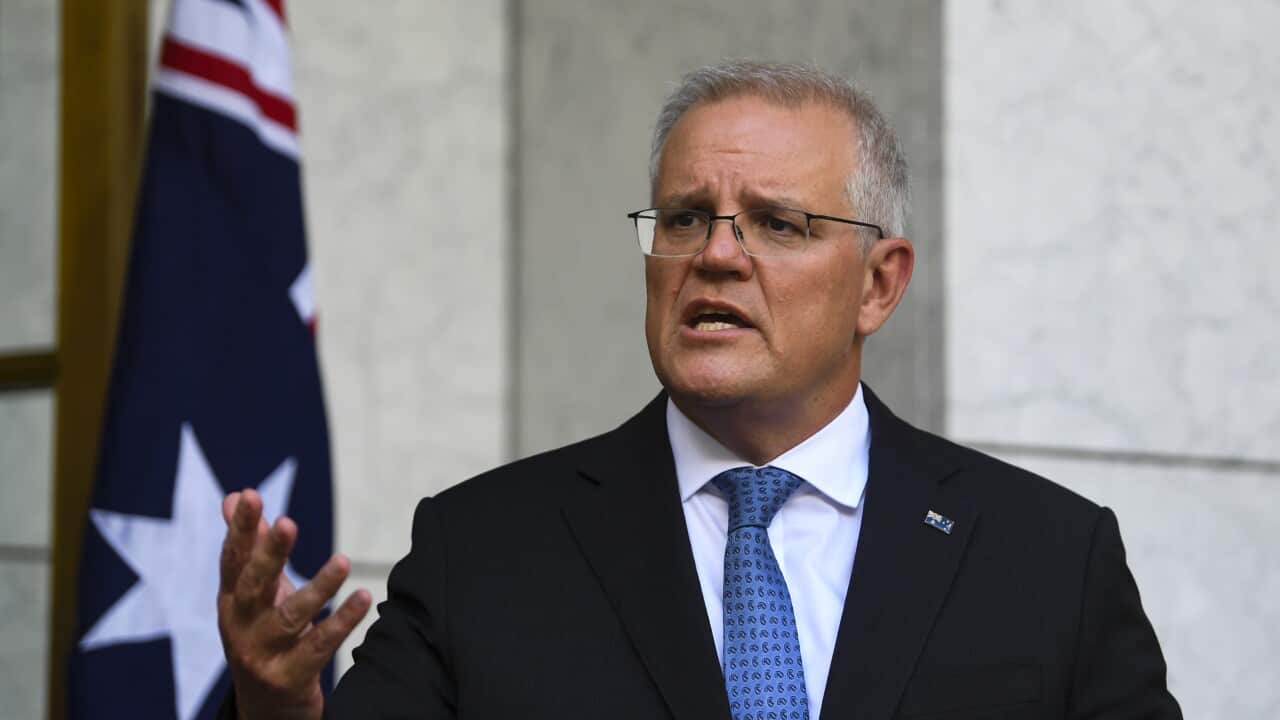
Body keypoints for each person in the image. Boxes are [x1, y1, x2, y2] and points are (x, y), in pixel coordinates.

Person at [217, 61, 1183, 719]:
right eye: (684, 219)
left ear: (879, 284)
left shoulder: (1049, 559)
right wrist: (276, 709)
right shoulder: (482, 551)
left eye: (777, 224)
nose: (716, 254)